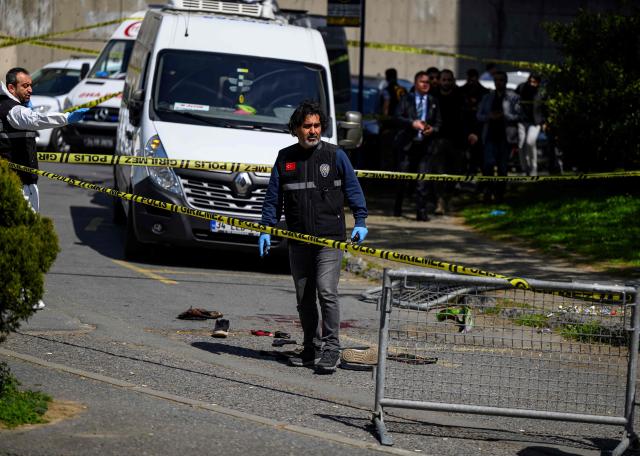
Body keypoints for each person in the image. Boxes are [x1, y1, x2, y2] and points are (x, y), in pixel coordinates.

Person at [259, 100, 368, 374]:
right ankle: (311, 347)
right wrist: (266, 227)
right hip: (298, 241)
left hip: (329, 240)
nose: (313, 130)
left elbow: (354, 190)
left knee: (326, 291)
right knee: (304, 297)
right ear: (296, 129)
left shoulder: (336, 156)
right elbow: (274, 199)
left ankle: (332, 347)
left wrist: (361, 221)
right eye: (307, 126)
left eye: (317, 125)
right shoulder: (285, 159)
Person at [0, 67, 88, 309]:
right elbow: (34, 120)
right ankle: (23, 293)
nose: (30, 89)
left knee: (21, 238)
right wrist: (65, 118)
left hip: (26, 184)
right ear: (11, 88)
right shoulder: (11, 109)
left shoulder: (15, 108)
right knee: (23, 240)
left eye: (31, 85)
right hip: (16, 186)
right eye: (25, 86)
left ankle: (20, 291)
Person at [391, 70, 441, 220]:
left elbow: (439, 123)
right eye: (422, 81)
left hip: (425, 146)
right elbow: (396, 117)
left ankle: (421, 212)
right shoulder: (406, 99)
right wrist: (412, 123)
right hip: (406, 145)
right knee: (403, 178)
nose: (426, 84)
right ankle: (398, 207)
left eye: (428, 82)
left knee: (422, 180)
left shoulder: (433, 101)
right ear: (416, 83)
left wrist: (432, 129)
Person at [476, 71, 520, 202]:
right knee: (488, 165)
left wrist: (504, 116)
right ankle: (488, 191)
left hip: (506, 137)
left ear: (505, 81)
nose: (498, 82)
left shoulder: (513, 97)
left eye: (501, 80)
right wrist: (489, 116)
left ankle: (500, 193)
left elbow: (519, 116)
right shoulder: (487, 97)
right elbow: (479, 115)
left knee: (503, 167)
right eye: (496, 80)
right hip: (489, 136)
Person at [431, 69, 464, 215]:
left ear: (453, 81)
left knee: (454, 173)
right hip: (437, 140)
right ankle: (439, 201)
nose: (446, 82)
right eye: (444, 80)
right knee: (438, 173)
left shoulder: (460, 96)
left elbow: (466, 117)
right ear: (439, 81)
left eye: (449, 80)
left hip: (457, 140)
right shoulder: (433, 96)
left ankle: (448, 198)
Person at [460, 68, 489, 176]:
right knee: (465, 157)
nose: (471, 81)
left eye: (473, 78)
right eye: (469, 78)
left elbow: (484, 115)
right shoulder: (462, 91)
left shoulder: (484, 93)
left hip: (480, 129)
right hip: (464, 128)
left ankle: (484, 184)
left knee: (480, 157)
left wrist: (476, 133)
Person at [515, 73, 544, 176]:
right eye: (530, 81)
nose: (532, 83)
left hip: (535, 122)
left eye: (534, 82)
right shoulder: (521, 88)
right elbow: (514, 99)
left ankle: (533, 168)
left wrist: (544, 122)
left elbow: (545, 108)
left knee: (530, 142)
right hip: (522, 121)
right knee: (521, 145)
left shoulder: (540, 92)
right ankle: (525, 168)